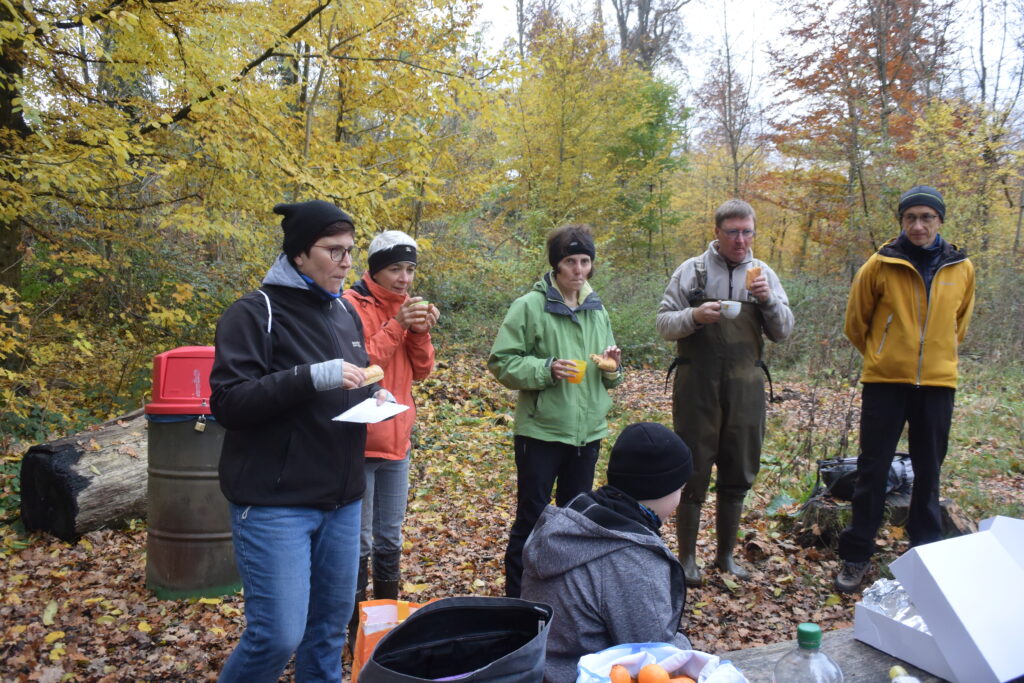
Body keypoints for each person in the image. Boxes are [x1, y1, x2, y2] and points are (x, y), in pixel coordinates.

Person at [210, 199, 388, 682]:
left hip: (343, 498)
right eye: (334, 251)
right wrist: (309, 377)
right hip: (274, 502)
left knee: (329, 629)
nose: (346, 262)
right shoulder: (254, 313)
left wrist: (375, 391)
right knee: (277, 635)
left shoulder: (343, 314)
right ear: (298, 255)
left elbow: (345, 382)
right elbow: (228, 403)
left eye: (349, 251)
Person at [835, 185, 975, 593]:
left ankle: (925, 557)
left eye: (926, 217)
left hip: (937, 384)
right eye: (911, 218)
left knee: (929, 472)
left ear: (939, 221)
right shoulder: (879, 265)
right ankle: (856, 555)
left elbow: (959, 325)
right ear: (901, 222)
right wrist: (883, 356)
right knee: (872, 470)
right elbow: (855, 323)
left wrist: (936, 357)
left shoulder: (961, 267)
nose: (918, 225)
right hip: (885, 383)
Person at [656, 199, 794, 586]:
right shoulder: (692, 271)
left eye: (747, 231)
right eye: (732, 231)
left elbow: (783, 332)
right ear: (716, 232)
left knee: (739, 469)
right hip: (697, 385)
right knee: (693, 467)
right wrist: (695, 316)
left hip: (746, 387)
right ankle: (686, 559)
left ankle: (726, 557)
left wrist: (766, 300)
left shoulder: (763, 273)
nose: (740, 239)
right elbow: (664, 324)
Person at [488, 223, 623, 598]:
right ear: (556, 266)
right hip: (541, 431)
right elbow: (501, 362)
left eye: (585, 261)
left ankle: (562, 598)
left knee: (575, 522)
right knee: (531, 519)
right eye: (571, 261)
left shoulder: (598, 310)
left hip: (587, 432)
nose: (579, 270)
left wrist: (613, 367)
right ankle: (517, 601)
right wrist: (545, 369)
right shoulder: (530, 306)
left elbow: (609, 374)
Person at [521, 422, 694, 683]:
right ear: (663, 489)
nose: (682, 495)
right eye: (681, 488)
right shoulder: (635, 562)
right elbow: (657, 656)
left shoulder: (572, 521)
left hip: (541, 672)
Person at [342, 231, 438, 615]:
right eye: (396, 268)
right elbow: (361, 367)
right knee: (359, 541)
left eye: (410, 269)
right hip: (359, 441)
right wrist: (399, 324)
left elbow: (423, 370)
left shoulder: (409, 305)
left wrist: (420, 331)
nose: (404, 278)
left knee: (390, 538)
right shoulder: (350, 305)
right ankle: (352, 623)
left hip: (398, 439)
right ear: (375, 270)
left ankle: (383, 620)